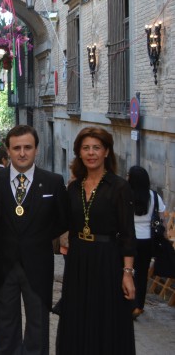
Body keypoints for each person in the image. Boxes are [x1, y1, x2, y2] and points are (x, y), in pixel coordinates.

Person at [56, 127, 136, 355]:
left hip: (107, 260)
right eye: (86, 148)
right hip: (78, 260)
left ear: (106, 152)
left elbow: (128, 234)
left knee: (106, 318)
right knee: (78, 317)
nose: (91, 153)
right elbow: (62, 223)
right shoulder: (73, 187)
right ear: (79, 153)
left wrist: (127, 273)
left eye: (96, 148)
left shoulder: (119, 187)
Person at [0, 125, 67, 355]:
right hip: (3, 265)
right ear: (8, 150)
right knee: (5, 325)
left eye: (27, 147)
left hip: (38, 265)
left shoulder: (53, 182)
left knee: (38, 325)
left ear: (36, 150)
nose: (22, 153)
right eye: (17, 148)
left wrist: (38, 237)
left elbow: (61, 221)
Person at [127, 165, 166, 320]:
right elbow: (162, 218)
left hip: (128, 238)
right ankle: (138, 306)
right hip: (147, 240)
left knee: (126, 271)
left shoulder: (125, 195)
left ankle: (127, 303)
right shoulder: (154, 197)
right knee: (142, 274)